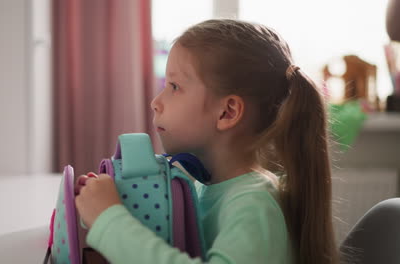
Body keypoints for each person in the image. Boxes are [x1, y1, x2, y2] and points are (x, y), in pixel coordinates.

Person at [75, 19, 338, 264]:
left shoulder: (254, 207)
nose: (156, 103)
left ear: (227, 112)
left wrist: (109, 220)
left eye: (174, 86)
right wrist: (103, 208)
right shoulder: (203, 188)